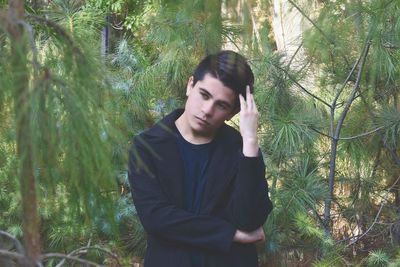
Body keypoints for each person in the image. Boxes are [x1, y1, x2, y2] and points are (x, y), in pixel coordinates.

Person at [128, 50, 273, 267]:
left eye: (221, 105)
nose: (207, 110)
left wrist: (250, 141)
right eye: (204, 95)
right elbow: (157, 219)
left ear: (234, 112)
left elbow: (250, 220)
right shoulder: (146, 147)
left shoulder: (240, 150)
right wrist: (230, 234)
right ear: (190, 85)